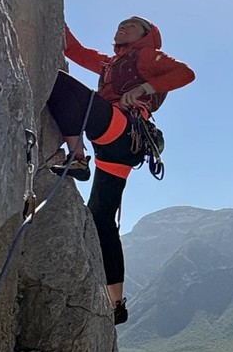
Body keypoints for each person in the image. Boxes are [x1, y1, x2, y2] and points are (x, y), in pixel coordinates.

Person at [45, 16, 196, 324]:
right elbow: (75, 50)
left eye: (132, 25)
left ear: (147, 35)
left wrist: (144, 87)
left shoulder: (146, 56)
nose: (122, 26)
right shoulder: (109, 65)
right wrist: (57, 18)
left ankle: (77, 157)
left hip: (122, 130)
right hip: (119, 149)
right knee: (101, 217)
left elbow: (185, 73)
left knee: (60, 84)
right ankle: (117, 303)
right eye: (121, 24)